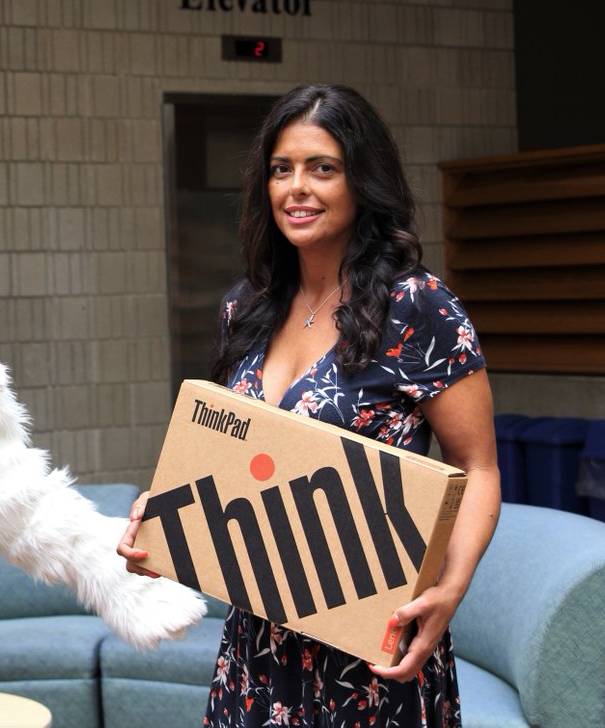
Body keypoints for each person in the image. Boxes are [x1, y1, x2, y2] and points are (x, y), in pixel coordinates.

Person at [118, 83, 500, 727]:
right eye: (281, 169)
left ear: (363, 181)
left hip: (367, 651)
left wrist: (449, 591)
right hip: (256, 647)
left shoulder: (418, 307)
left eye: (323, 168)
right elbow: (237, 458)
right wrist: (170, 514)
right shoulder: (246, 306)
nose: (297, 188)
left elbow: (478, 466)